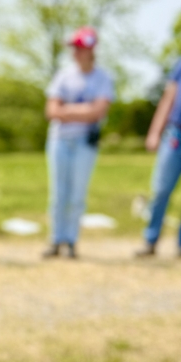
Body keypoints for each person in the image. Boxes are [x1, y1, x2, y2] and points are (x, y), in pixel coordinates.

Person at [43, 27, 114, 259]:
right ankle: (55, 240)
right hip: (59, 140)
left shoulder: (103, 78)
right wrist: (83, 110)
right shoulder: (63, 75)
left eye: (79, 48)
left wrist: (68, 110)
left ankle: (71, 241)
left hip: (85, 142)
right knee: (58, 193)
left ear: (90, 50)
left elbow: (98, 111)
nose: (74, 53)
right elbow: (52, 110)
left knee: (77, 194)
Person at [136, 53, 181, 257]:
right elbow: (168, 99)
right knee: (161, 190)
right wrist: (154, 132)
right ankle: (150, 241)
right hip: (176, 136)